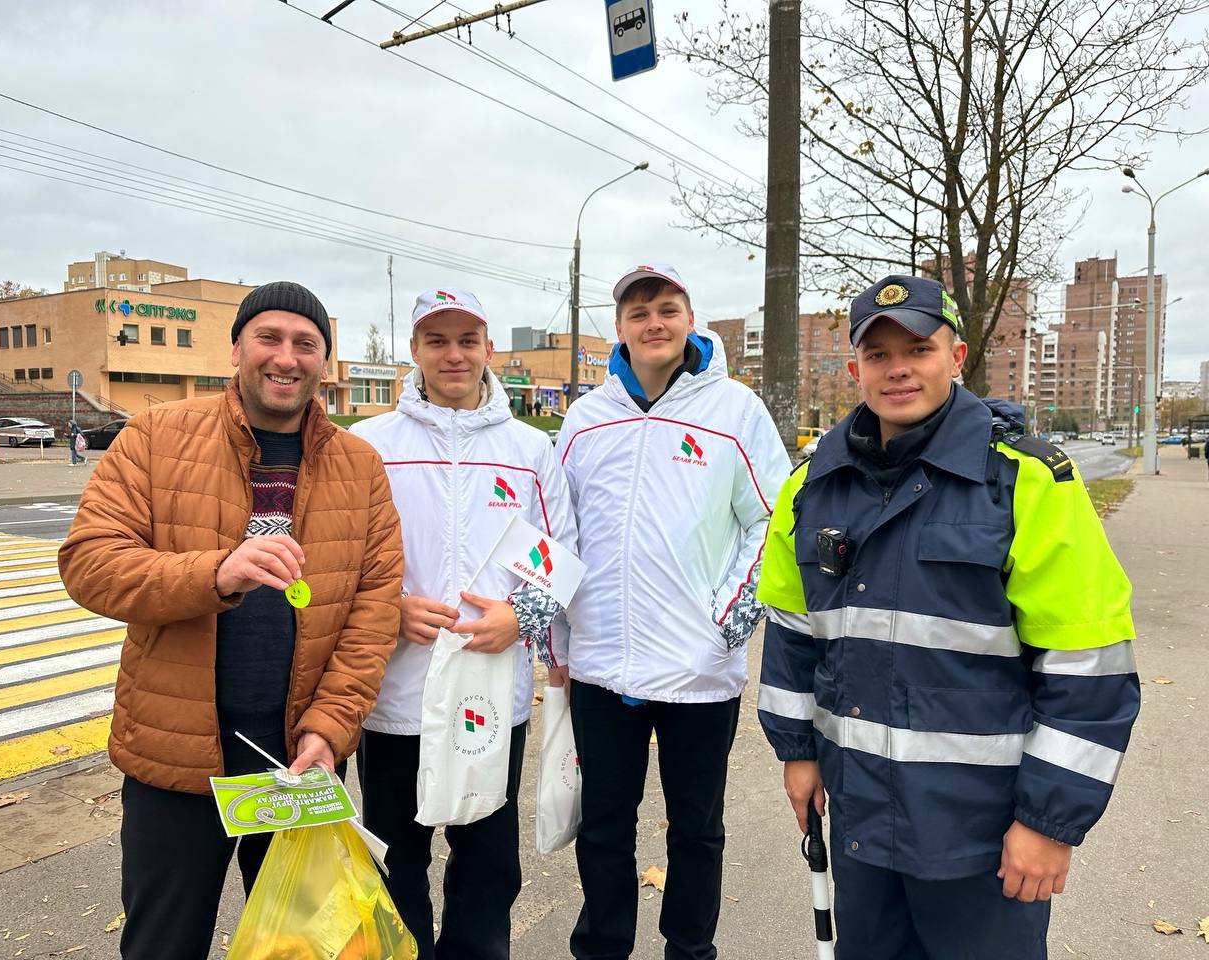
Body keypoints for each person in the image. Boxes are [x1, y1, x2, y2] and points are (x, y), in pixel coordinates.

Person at [756, 275, 1140, 960]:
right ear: (854, 370)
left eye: (918, 348)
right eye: (878, 355)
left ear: (956, 356)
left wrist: (1049, 822)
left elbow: (1089, 666)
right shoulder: (809, 488)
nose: (898, 367)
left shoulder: (1026, 482)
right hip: (861, 823)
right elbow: (791, 635)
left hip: (985, 839)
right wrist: (796, 752)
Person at [58, 280, 404, 960]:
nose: (286, 357)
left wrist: (331, 728)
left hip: (295, 765)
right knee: (163, 945)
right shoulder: (156, 437)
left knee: (306, 948)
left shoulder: (359, 464)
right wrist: (216, 573)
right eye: (269, 338)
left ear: (324, 364)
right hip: (177, 760)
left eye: (306, 343)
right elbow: (90, 563)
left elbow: (374, 608)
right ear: (236, 349)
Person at [556, 263, 790, 960]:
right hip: (603, 665)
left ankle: (689, 950)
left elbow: (773, 518)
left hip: (697, 669)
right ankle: (603, 947)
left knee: (695, 828)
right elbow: (557, 531)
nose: (653, 323)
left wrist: (731, 614)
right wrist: (558, 641)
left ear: (690, 319)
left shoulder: (735, 411)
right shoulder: (585, 418)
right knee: (602, 825)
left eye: (666, 308)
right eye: (637, 312)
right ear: (619, 329)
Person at [349, 287, 576, 960]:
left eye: (467, 340)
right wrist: (386, 609)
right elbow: (336, 561)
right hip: (394, 698)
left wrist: (521, 615)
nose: (454, 355)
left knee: (486, 870)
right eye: (437, 340)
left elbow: (563, 555)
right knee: (395, 864)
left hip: (489, 699)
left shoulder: (528, 451)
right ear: (414, 351)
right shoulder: (369, 448)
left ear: (489, 351)